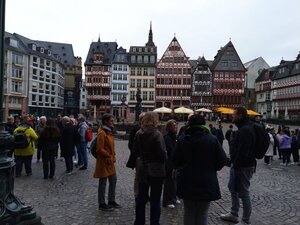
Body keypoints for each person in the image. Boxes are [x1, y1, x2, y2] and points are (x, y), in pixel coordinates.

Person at [173, 114, 227, 225]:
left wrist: (181, 168)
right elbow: (222, 160)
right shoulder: (212, 139)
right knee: (202, 213)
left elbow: (174, 161)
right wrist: (211, 169)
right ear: (203, 124)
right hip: (206, 181)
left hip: (187, 180)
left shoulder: (182, 140)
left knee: (188, 212)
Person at [220, 107, 256, 225]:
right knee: (232, 188)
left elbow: (243, 151)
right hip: (238, 164)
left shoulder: (246, 129)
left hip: (243, 166)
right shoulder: (243, 128)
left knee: (243, 192)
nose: (232, 116)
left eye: (234, 115)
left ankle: (245, 221)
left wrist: (236, 164)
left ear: (240, 115)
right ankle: (234, 213)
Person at [133, 112, 166, 225]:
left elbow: (135, 151)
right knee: (155, 200)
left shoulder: (138, 133)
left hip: (143, 168)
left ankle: (139, 222)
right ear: (154, 120)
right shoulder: (157, 134)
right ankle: (154, 223)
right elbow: (162, 154)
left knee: (141, 198)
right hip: (156, 170)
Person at [94, 114, 121, 211]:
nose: (113, 122)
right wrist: (108, 155)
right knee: (103, 183)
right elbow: (99, 149)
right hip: (104, 161)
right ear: (105, 121)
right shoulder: (102, 133)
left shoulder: (109, 131)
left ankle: (111, 200)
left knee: (113, 180)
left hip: (110, 162)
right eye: (111, 121)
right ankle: (102, 204)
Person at [162, 119, 179, 209]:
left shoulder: (174, 136)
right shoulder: (167, 137)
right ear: (169, 127)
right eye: (173, 126)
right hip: (169, 163)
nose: (175, 127)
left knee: (174, 182)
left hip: (174, 162)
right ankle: (167, 201)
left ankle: (173, 198)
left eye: (175, 125)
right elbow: (171, 151)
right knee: (169, 182)